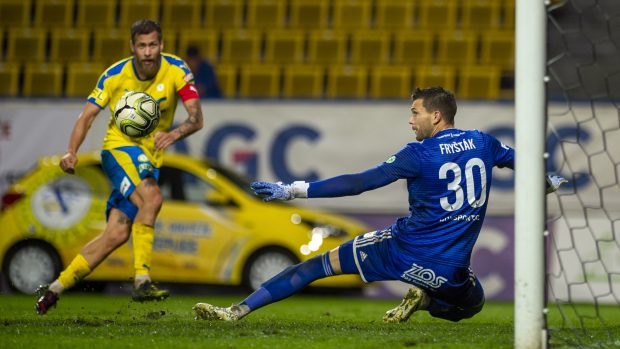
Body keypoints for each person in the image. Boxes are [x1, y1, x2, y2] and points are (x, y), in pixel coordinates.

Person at [192, 86, 567, 323]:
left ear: (436, 115)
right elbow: (517, 158)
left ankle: (235, 312)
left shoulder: (418, 153)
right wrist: (544, 181)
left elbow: (358, 183)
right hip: (451, 268)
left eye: (415, 112)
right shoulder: (483, 143)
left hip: (400, 252)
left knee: (313, 267)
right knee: (471, 305)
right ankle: (425, 300)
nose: (410, 120)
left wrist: (293, 189)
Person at [35, 19, 204, 315]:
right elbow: (86, 116)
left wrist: (174, 134)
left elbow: (196, 119)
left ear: (161, 45)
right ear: (132, 47)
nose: (148, 52)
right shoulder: (115, 75)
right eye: (142, 46)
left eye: (153, 45)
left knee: (116, 234)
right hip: (118, 150)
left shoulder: (177, 70)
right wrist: (71, 152)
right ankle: (142, 280)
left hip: (149, 159)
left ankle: (54, 289)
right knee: (152, 199)